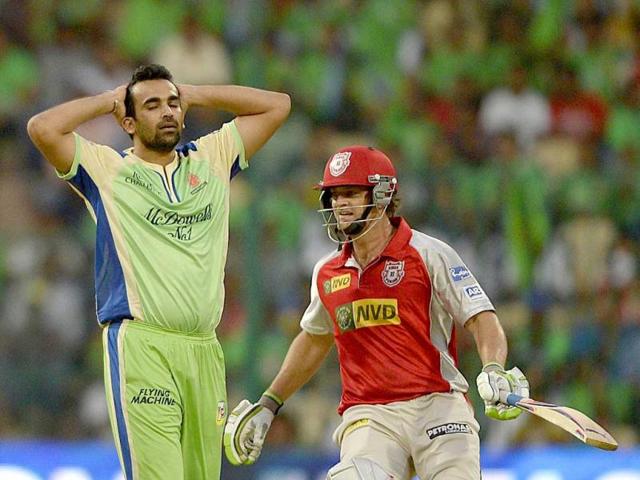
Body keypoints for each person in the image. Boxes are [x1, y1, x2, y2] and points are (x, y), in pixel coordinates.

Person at [27, 64, 290, 479]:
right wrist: (108, 100)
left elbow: (277, 106)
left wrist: (195, 93)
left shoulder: (213, 157)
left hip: (204, 348)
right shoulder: (107, 169)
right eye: (152, 106)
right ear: (128, 122)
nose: (167, 112)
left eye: (173, 104)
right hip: (143, 347)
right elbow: (43, 128)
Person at [224, 146, 529, 479]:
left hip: (438, 405)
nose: (339, 203)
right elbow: (314, 340)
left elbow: (481, 317)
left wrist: (494, 367)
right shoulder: (327, 272)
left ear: (383, 195)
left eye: (351, 193)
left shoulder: (429, 254)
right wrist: (270, 404)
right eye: (334, 195)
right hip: (370, 415)